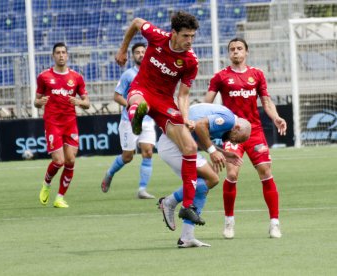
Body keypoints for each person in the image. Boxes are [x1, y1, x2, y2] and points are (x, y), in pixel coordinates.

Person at [115, 11, 202, 223]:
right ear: (174, 33)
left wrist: (185, 117)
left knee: (190, 147)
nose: (190, 41)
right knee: (136, 99)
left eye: (192, 36)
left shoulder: (190, 61)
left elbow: (183, 95)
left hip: (164, 102)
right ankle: (136, 118)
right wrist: (123, 49)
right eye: (185, 36)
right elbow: (136, 22)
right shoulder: (157, 36)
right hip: (143, 88)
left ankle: (188, 205)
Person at [204, 37, 287, 239]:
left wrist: (276, 118)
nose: (235, 52)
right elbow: (208, 103)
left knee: (265, 171)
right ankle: (229, 222)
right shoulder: (221, 77)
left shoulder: (257, 75)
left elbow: (266, 102)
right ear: (229, 53)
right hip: (231, 131)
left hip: (255, 131)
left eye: (239, 48)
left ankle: (274, 223)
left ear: (246, 52)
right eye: (232, 49)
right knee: (231, 174)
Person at [157, 103, 251, 248]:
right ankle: (169, 202)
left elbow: (199, 135)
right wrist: (213, 151)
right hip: (173, 145)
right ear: (237, 128)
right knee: (212, 178)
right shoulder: (229, 121)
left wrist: (223, 152)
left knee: (203, 182)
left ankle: (187, 237)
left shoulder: (225, 116)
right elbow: (200, 126)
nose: (233, 142)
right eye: (237, 139)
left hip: (176, 143)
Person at [35, 42, 90, 208]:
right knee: (58, 161)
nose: (61, 55)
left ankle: (59, 197)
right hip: (53, 123)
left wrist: (79, 102)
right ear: (53, 56)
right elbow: (36, 102)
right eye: (58, 52)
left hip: (70, 123)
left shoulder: (76, 77)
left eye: (63, 52)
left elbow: (87, 103)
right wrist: (40, 101)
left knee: (70, 160)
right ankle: (46, 184)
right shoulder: (44, 76)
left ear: (67, 55)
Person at [101, 43, 156, 199]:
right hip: (129, 121)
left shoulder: (153, 74)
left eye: (143, 52)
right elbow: (117, 96)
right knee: (128, 156)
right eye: (137, 52)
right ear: (133, 56)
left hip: (147, 120)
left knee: (148, 152)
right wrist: (132, 105)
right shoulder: (128, 75)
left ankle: (142, 190)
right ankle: (110, 173)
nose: (140, 54)